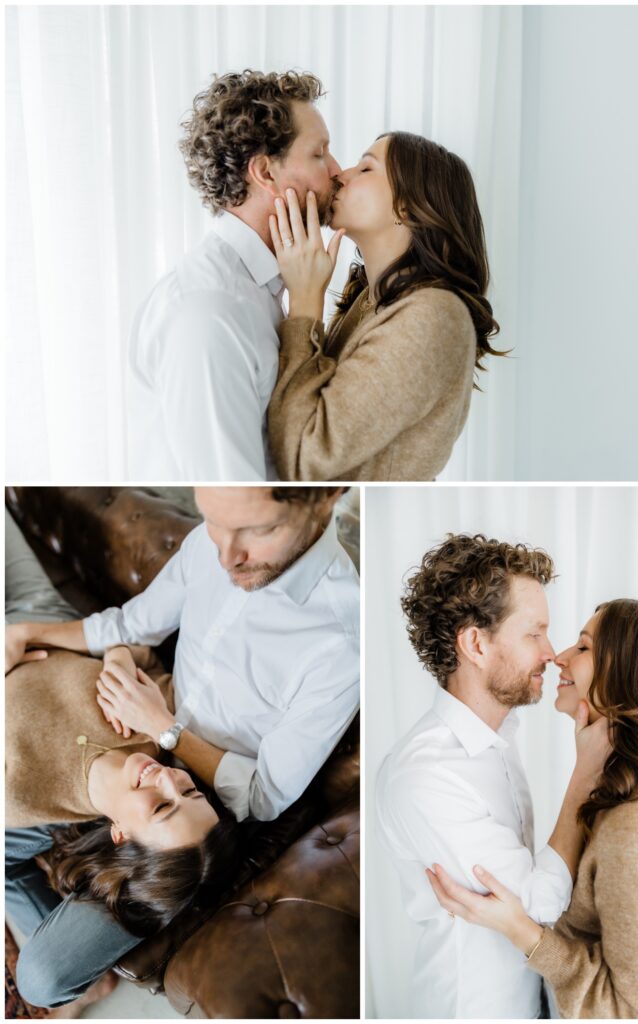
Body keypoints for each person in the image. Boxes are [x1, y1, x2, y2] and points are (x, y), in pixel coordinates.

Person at [6, 486, 360, 1008]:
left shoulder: (343, 639)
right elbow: (131, 627)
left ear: (326, 499)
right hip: (119, 727)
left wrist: (166, 730)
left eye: (255, 532)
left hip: (157, 774)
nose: (224, 555)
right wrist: (30, 636)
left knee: (44, 975)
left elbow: (264, 797)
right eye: (215, 523)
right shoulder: (212, 542)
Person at [428, 599, 638, 1019]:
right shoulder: (629, 792)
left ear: (631, 674)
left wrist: (523, 932)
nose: (558, 657)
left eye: (583, 648)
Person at [375, 534, 610, 1018]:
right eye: (534, 633)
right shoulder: (425, 774)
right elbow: (541, 903)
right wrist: (584, 774)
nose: (551, 652)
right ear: (476, 643)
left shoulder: (499, 740)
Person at [126, 69, 342, 480]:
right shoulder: (210, 315)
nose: (336, 170)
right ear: (265, 173)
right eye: (319, 154)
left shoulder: (261, 290)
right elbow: (233, 493)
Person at [267, 132, 502, 481]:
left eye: (366, 169)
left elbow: (303, 459)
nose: (340, 174)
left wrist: (305, 303)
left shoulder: (432, 317)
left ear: (406, 207)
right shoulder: (373, 299)